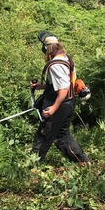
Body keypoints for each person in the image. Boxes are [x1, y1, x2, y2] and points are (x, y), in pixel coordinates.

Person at [30, 32, 90, 163]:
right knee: (55, 134)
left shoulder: (55, 65)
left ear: (47, 48)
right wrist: (40, 86)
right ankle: (83, 162)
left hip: (60, 105)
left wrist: (53, 108)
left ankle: (34, 165)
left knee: (51, 135)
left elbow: (63, 89)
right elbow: (61, 83)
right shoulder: (66, 58)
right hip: (66, 103)